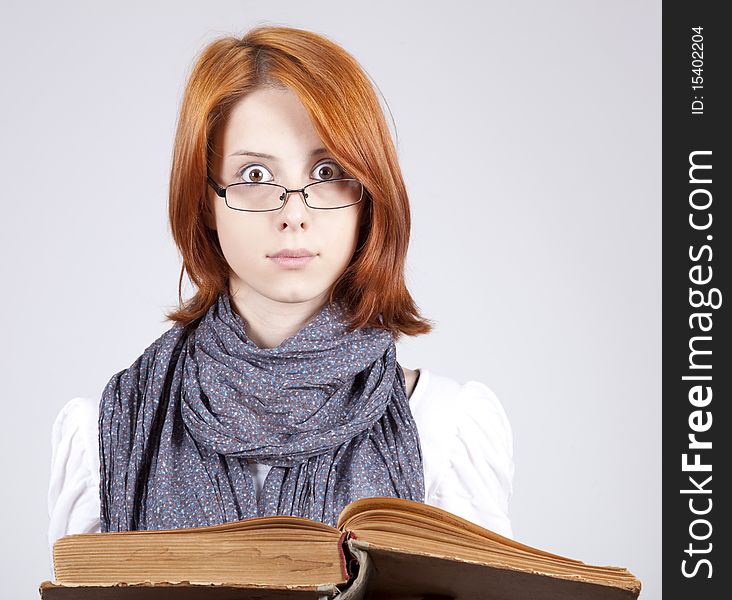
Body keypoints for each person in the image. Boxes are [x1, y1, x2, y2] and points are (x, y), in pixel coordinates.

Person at [47, 25, 514, 569]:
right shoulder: (107, 434)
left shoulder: (446, 429)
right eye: (254, 174)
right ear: (206, 202)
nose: (294, 212)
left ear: (368, 196)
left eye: (326, 172)